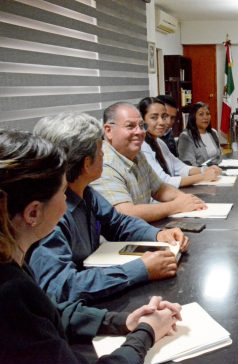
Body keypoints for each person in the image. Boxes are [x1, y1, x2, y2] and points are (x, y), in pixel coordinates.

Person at [0, 130, 180, 364]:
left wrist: (123, 321)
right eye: (63, 192)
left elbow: (50, 313)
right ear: (33, 213)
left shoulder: (11, 261)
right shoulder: (10, 292)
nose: (68, 200)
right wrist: (146, 333)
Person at [29, 112, 189, 304]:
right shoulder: (49, 215)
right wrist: (140, 269)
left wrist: (157, 235)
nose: (104, 154)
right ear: (86, 163)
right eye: (100, 149)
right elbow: (62, 287)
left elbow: (118, 223)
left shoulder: (85, 192)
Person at [90, 102, 206, 222]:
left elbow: (159, 188)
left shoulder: (137, 154)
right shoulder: (103, 162)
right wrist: (176, 206)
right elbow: (125, 213)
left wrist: (186, 199)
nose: (139, 132)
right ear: (108, 130)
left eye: (141, 126)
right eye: (130, 126)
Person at [138, 97, 221, 188]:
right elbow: (164, 181)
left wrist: (205, 170)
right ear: (142, 120)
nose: (162, 122)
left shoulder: (159, 142)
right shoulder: (142, 146)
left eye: (163, 116)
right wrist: (203, 176)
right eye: (154, 117)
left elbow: (181, 167)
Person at [177, 101, 223, 166]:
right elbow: (189, 166)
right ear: (193, 117)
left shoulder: (213, 133)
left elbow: (219, 157)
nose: (205, 117)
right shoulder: (186, 137)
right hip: (200, 174)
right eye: (201, 114)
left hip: (218, 171)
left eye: (208, 114)